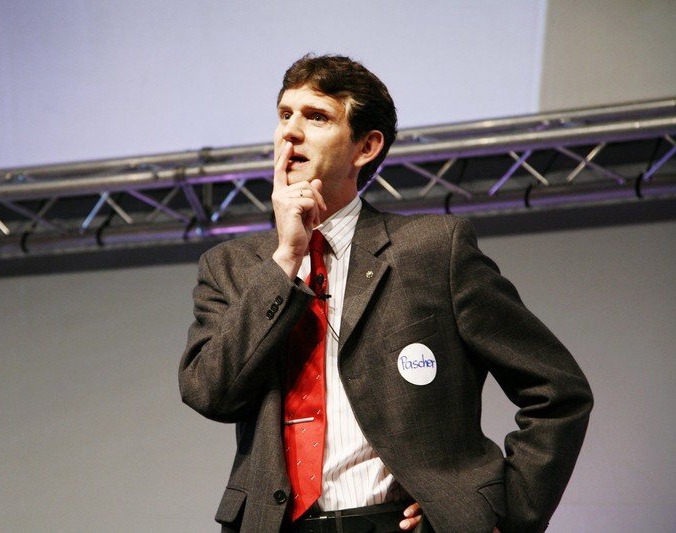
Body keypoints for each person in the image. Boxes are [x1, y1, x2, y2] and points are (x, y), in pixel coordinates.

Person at [179, 54, 592, 533]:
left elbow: (557, 390)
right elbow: (211, 393)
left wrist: (503, 514)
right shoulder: (232, 266)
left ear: (367, 147)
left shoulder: (433, 250)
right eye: (284, 115)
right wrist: (286, 258)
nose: (290, 132)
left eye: (316, 117)